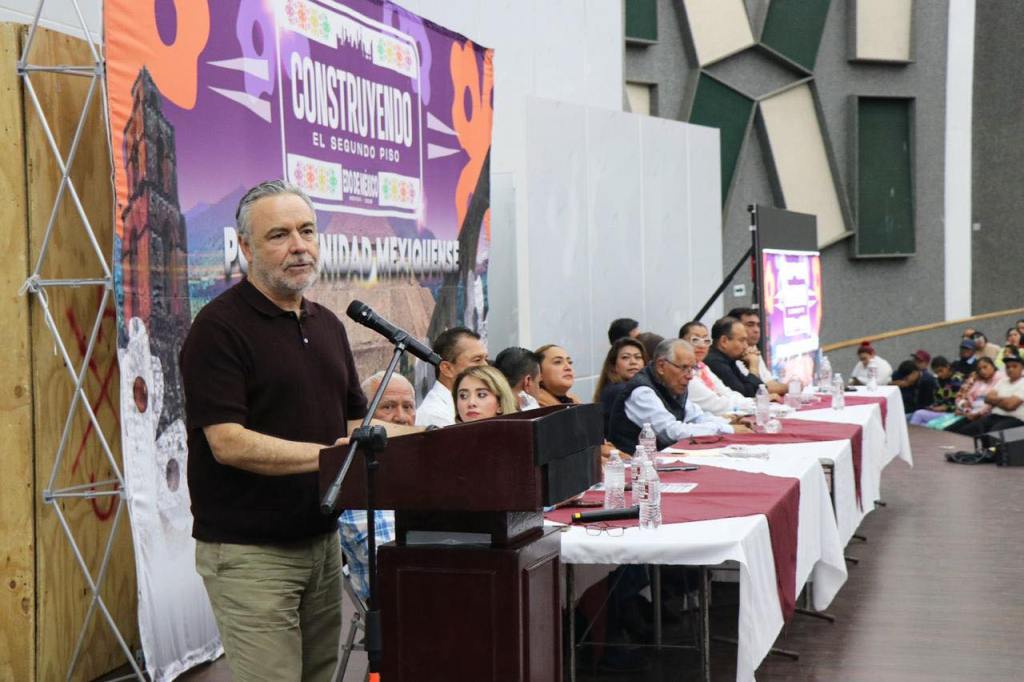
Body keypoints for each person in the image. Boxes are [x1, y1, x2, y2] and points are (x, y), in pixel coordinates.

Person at [180, 180, 368, 681]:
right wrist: (330, 456)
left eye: (307, 231)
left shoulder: (327, 323)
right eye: (279, 235)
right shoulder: (218, 329)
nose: (299, 246)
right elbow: (228, 442)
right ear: (245, 247)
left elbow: (353, 420)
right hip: (251, 556)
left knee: (319, 675)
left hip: (323, 545)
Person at [337, 372, 416, 600]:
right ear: (363, 416)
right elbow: (386, 560)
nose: (401, 417)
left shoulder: (413, 464)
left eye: (408, 407)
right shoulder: (356, 475)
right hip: (396, 602)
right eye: (389, 407)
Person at [607, 339, 735, 454]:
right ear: (661, 366)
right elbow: (670, 432)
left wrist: (729, 425)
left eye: (692, 368)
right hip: (635, 469)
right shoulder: (641, 392)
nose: (690, 375)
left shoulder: (672, 384)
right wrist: (725, 429)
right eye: (684, 368)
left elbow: (696, 416)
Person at [416, 327, 488, 427]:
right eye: (477, 360)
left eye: (485, 359)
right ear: (447, 369)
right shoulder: (436, 415)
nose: (486, 366)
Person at [678, 320, 751, 415]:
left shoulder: (702, 367)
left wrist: (754, 403)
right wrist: (751, 407)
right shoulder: (681, 370)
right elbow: (713, 404)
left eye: (706, 340)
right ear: (681, 342)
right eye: (695, 340)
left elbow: (726, 392)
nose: (702, 345)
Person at [957, 350, 1024, 436]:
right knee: (964, 431)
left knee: (991, 436)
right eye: (1007, 367)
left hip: (1015, 419)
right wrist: (1005, 400)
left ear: (1022, 368)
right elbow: (987, 398)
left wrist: (996, 401)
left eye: (1014, 366)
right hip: (994, 416)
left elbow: (1010, 405)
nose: (1010, 369)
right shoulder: (1003, 381)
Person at [726, 307, 789, 394]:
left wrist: (791, 386)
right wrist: (790, 387)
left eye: (758, 325)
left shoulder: (753, 349)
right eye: (750, 325)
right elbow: (756, 389)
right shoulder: (733, 353)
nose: (756, 330)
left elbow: (769, 382)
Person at [704, 316, 769, 398]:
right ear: (724, 341)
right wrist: (753, 367)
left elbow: (761, 389)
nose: (746, 346)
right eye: (742, 340)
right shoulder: (715, 362)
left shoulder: (729, 360)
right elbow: (744, 395)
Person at [593, 338, 648, 434]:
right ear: (613, 366)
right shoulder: (618, 390)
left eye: (638, 357)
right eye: (625, 357)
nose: (633, 362)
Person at [946, 357, 1004, 434]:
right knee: (949, 430)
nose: (982, 371)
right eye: (979, 369)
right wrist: (966, 410)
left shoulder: (1000, 379)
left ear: (993, 366)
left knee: (962, 432)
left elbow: (992, 403)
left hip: (986, 416)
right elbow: (964, 397)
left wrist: (978, 413)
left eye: (985, 367)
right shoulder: (977, 380)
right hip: (971, 414)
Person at [908, 357, 964, 425]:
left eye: (941, 371)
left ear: (948, 366)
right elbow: (938, 399)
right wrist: (933, 407)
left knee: (918, 414)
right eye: (936, 372)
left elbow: (960, 402)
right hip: (941, 412)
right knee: (919, 421)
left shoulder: (957, 379)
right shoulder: (938, 380)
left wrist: (946, 407)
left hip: (954, 413)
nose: (939, 374)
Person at [453, 365, 520, 422]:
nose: (471, 403)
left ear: (500, 404)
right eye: (463, 396)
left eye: (481, 395)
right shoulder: (446, 437)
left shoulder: (522, 436)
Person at [492, 346, 543, 410]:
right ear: (527, 382)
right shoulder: (538, 418)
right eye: (538, 383)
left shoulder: (485, 412)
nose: (540, 392)